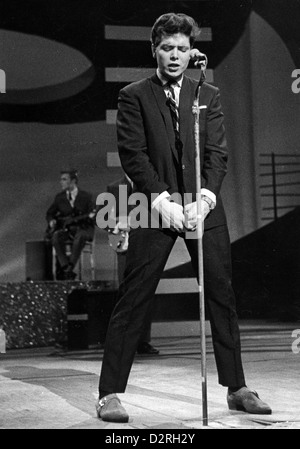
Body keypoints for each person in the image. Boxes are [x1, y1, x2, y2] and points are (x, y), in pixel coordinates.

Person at [96, 12, 271, 423]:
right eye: (166, 48)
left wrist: (206, 198)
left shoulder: (206, 93)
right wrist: (161, 200)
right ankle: (109, 394)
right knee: (133, 299)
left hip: (202, 209)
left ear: (191, 51)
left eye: (181, 48)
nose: (174, 56)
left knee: (221, 297)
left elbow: (218, 153)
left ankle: (237, 387)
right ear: (153, 51)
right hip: (154, 209)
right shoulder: (134, 95)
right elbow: (133, 155)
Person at [106, 174, 159, 355]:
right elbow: (104, 218)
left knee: (146, 291)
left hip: (145, 243)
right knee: (126, 291)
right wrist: (117, 226)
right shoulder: (114, 187)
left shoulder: (148, 184)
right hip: (125, 245)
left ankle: (143, 341)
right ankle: (124, 341)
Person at [45, 169, 96, 280]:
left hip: (83, 228)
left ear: (73, 181)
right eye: (61, 179)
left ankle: (69, 267)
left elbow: (93, 214)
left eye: (64, 179)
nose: (61, 182)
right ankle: (66, 267)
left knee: (81, 236)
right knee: (56, 236)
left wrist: (88, 217)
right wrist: (51, 220)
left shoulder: (86, 196)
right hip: (68, 230)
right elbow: (50, 213)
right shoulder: (60, 198)